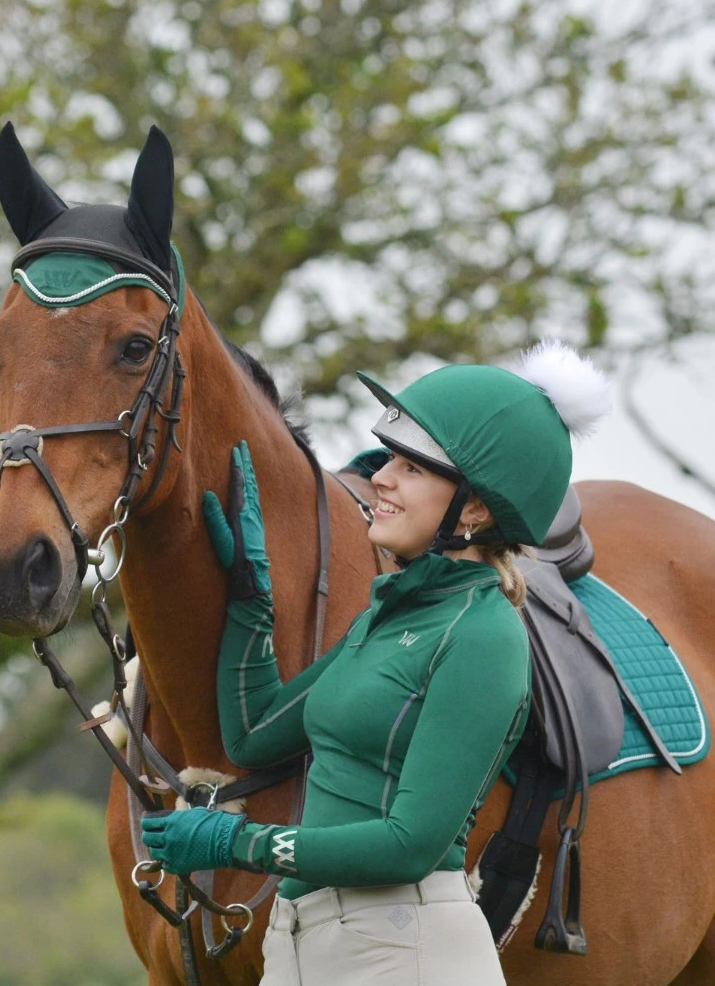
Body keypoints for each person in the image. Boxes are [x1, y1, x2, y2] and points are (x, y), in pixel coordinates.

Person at [140, 340, 610, 985]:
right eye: (390, 458)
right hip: (303, 945)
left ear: (474, 510)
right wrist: (250, 597)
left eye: (412, 469)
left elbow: (409, 845)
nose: (381, 477)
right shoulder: (385, 617)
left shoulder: (483, 635)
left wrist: (235, 844)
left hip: (405, 951)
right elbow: (252, 736)